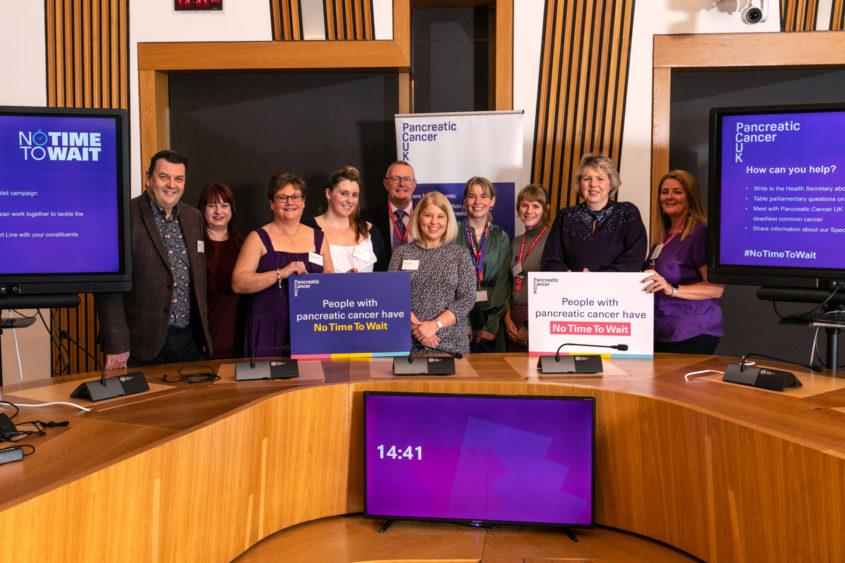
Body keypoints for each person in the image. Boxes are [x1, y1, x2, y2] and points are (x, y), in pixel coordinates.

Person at [96, 150, 211, 368]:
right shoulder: (122, 216)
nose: (171, 185)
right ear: (149, 178)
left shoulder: (193, 217)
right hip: (140, 344)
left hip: (189, 342)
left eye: (179, 179)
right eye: (164, 177)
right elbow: (108, 287)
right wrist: (117, 344)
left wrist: (204, 336)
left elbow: (198, 280)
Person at [232, 173, 334, 358]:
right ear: (271, 203)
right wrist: (280, 273)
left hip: (310, 327)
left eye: (295, 196)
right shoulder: (257, 238)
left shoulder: (319, 238)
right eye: (282, 197)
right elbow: (238, 283)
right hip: (267, 328)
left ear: (303, 201)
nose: (290, 202)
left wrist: (347, 281)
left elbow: (329, 281)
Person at [641, 170, 724, 354]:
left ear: (690, 198)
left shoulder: (699, 233)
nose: (669, 197)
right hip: (661, 332)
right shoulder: (663, 236)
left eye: (677, 192)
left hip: (692, 332)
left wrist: (672, 289)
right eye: (665, 192)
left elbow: (715, 288)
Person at [388, 191, 475, 355]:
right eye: (428, 215)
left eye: (440, 216)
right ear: (418, 217)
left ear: (448, 220)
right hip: (408, 344)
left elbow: (467, 298)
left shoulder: (460, 254)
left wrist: (435, 325)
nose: (434, 222)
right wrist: (418, 331)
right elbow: (392, 297)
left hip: (452, 345)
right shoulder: (401, 254)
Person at [541, 153, 647, 272]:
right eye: (587, 179)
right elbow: (550, 261)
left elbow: (633, 261)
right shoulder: (565, 215)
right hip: (572, 284)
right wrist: (565, 276)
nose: (593, 184)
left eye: (600, 179)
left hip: (613, 284)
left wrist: (595, 279)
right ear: (580, 184)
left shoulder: (628, 213)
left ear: (611, 184)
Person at [453, 177, 511, 352]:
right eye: (472, 196)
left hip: (492, 314)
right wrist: (461, 320)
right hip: (459, 313)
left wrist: (492, 324)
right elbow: (449, 282)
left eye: (483, 196)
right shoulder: (452, 234)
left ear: (492, 201)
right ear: (465, 201)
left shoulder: (500, 236)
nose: (477, 201)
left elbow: (503, 281)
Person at [302, 165, 386, 273]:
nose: (350, 200)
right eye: (343, 193)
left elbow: (383, 277)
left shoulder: (370, 231)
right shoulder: (306, 227)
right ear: (328, 193)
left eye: (354, 195)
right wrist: (342, 280)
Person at [198, 182, 244, 359]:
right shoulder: (191, 246)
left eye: (224, 205)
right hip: (205, 336)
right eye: (211, 205)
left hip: (239, 331)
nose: (218, 211)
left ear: (232, 210)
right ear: (202, 209)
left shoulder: (245, 245)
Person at [504, 184, 551, 352]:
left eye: (536, 206)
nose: (529, 211)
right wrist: (507, 317)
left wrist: (529, 325)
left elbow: (552, 290)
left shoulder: (552, 241)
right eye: (524, 205)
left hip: (538, 317)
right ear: (518, 208)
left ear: (546, 209)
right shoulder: (516, 242)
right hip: (513, 316)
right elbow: (508, 282)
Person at [361, 160, 417, 271]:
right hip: (381, 280)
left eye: (407, 179)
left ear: (414, 184)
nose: (402, 183)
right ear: (386, 184)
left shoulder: (426, 217)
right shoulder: (365, 217)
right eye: (395, 179)